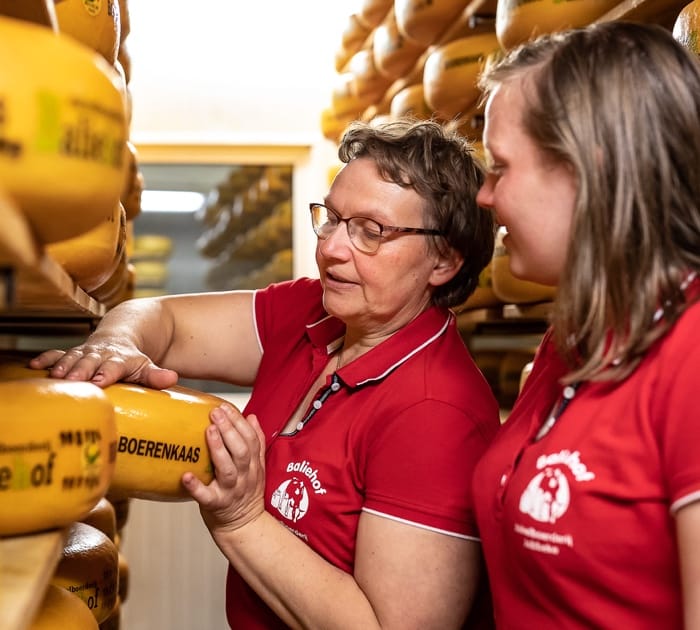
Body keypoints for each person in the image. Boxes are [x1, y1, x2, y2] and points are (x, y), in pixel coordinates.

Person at [32, 118, 500, 629]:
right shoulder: (315, 312)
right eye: (334, 218)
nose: (332, 248)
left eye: (372, 231)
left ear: (444, 261)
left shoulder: (436, 415)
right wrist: (115, 342)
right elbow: (161, 319)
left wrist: (243, 519)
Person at [470, 20, 700, 629]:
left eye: (500, 167)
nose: (483, 197)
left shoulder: (691, 354)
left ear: (586, 170)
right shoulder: (572, 340)